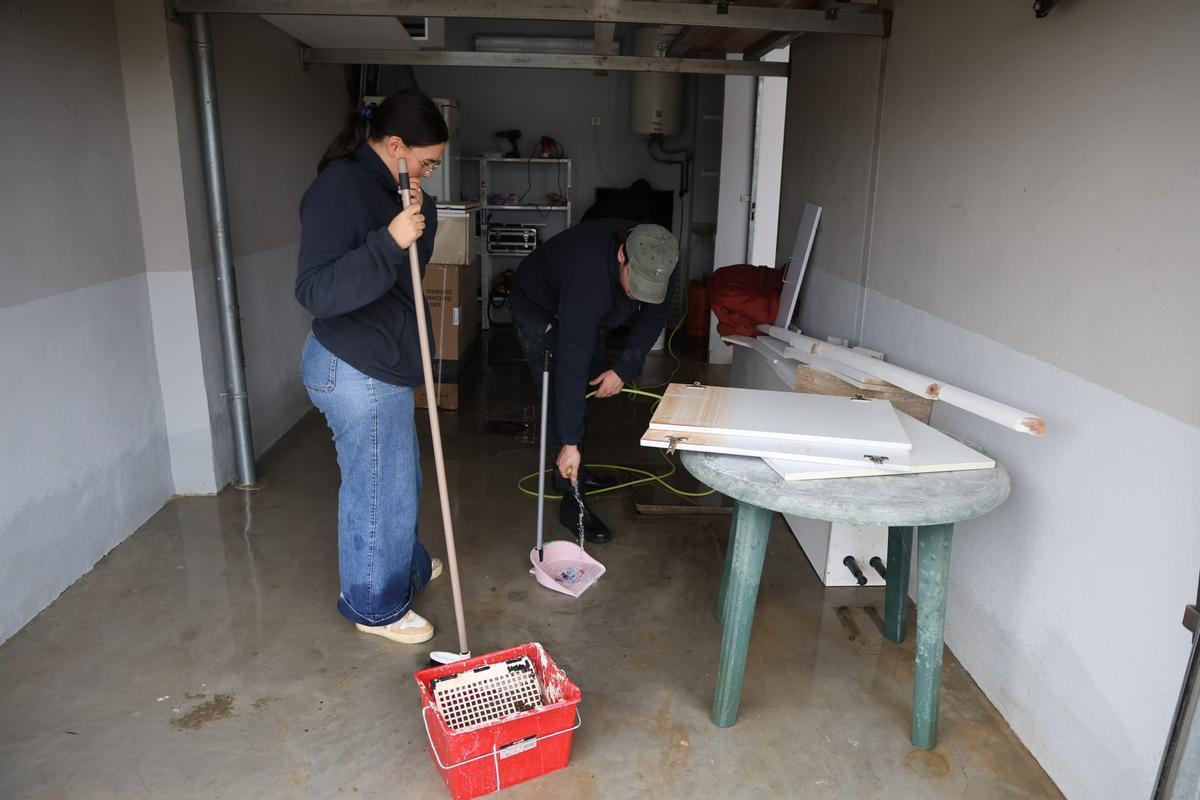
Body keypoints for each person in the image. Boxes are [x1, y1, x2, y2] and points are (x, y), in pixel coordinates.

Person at [294, 90, 448, 645]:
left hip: (384, 360)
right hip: (353, 366)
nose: (432, 171)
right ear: (395, 145)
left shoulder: (397, 189)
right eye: (427, 161)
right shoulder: (338, 191)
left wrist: (418, 216)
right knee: (379, 487)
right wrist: (389, 240)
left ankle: (402, 566)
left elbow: (405, 278)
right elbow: (316, 290)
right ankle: (374, 604)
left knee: (400, 476)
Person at [509, 219, 680, 543]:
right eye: (635, 283)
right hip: (540, 309)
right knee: (560, 397)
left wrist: (623, 369)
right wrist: (570, 443)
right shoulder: (587, 276)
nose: (638, 294)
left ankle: (578, 469)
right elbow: (570, 364)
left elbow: (655, 315)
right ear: (621, 255)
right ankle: (571, 499)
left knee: (584, 390)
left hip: (591, 313)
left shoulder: (660, 260)